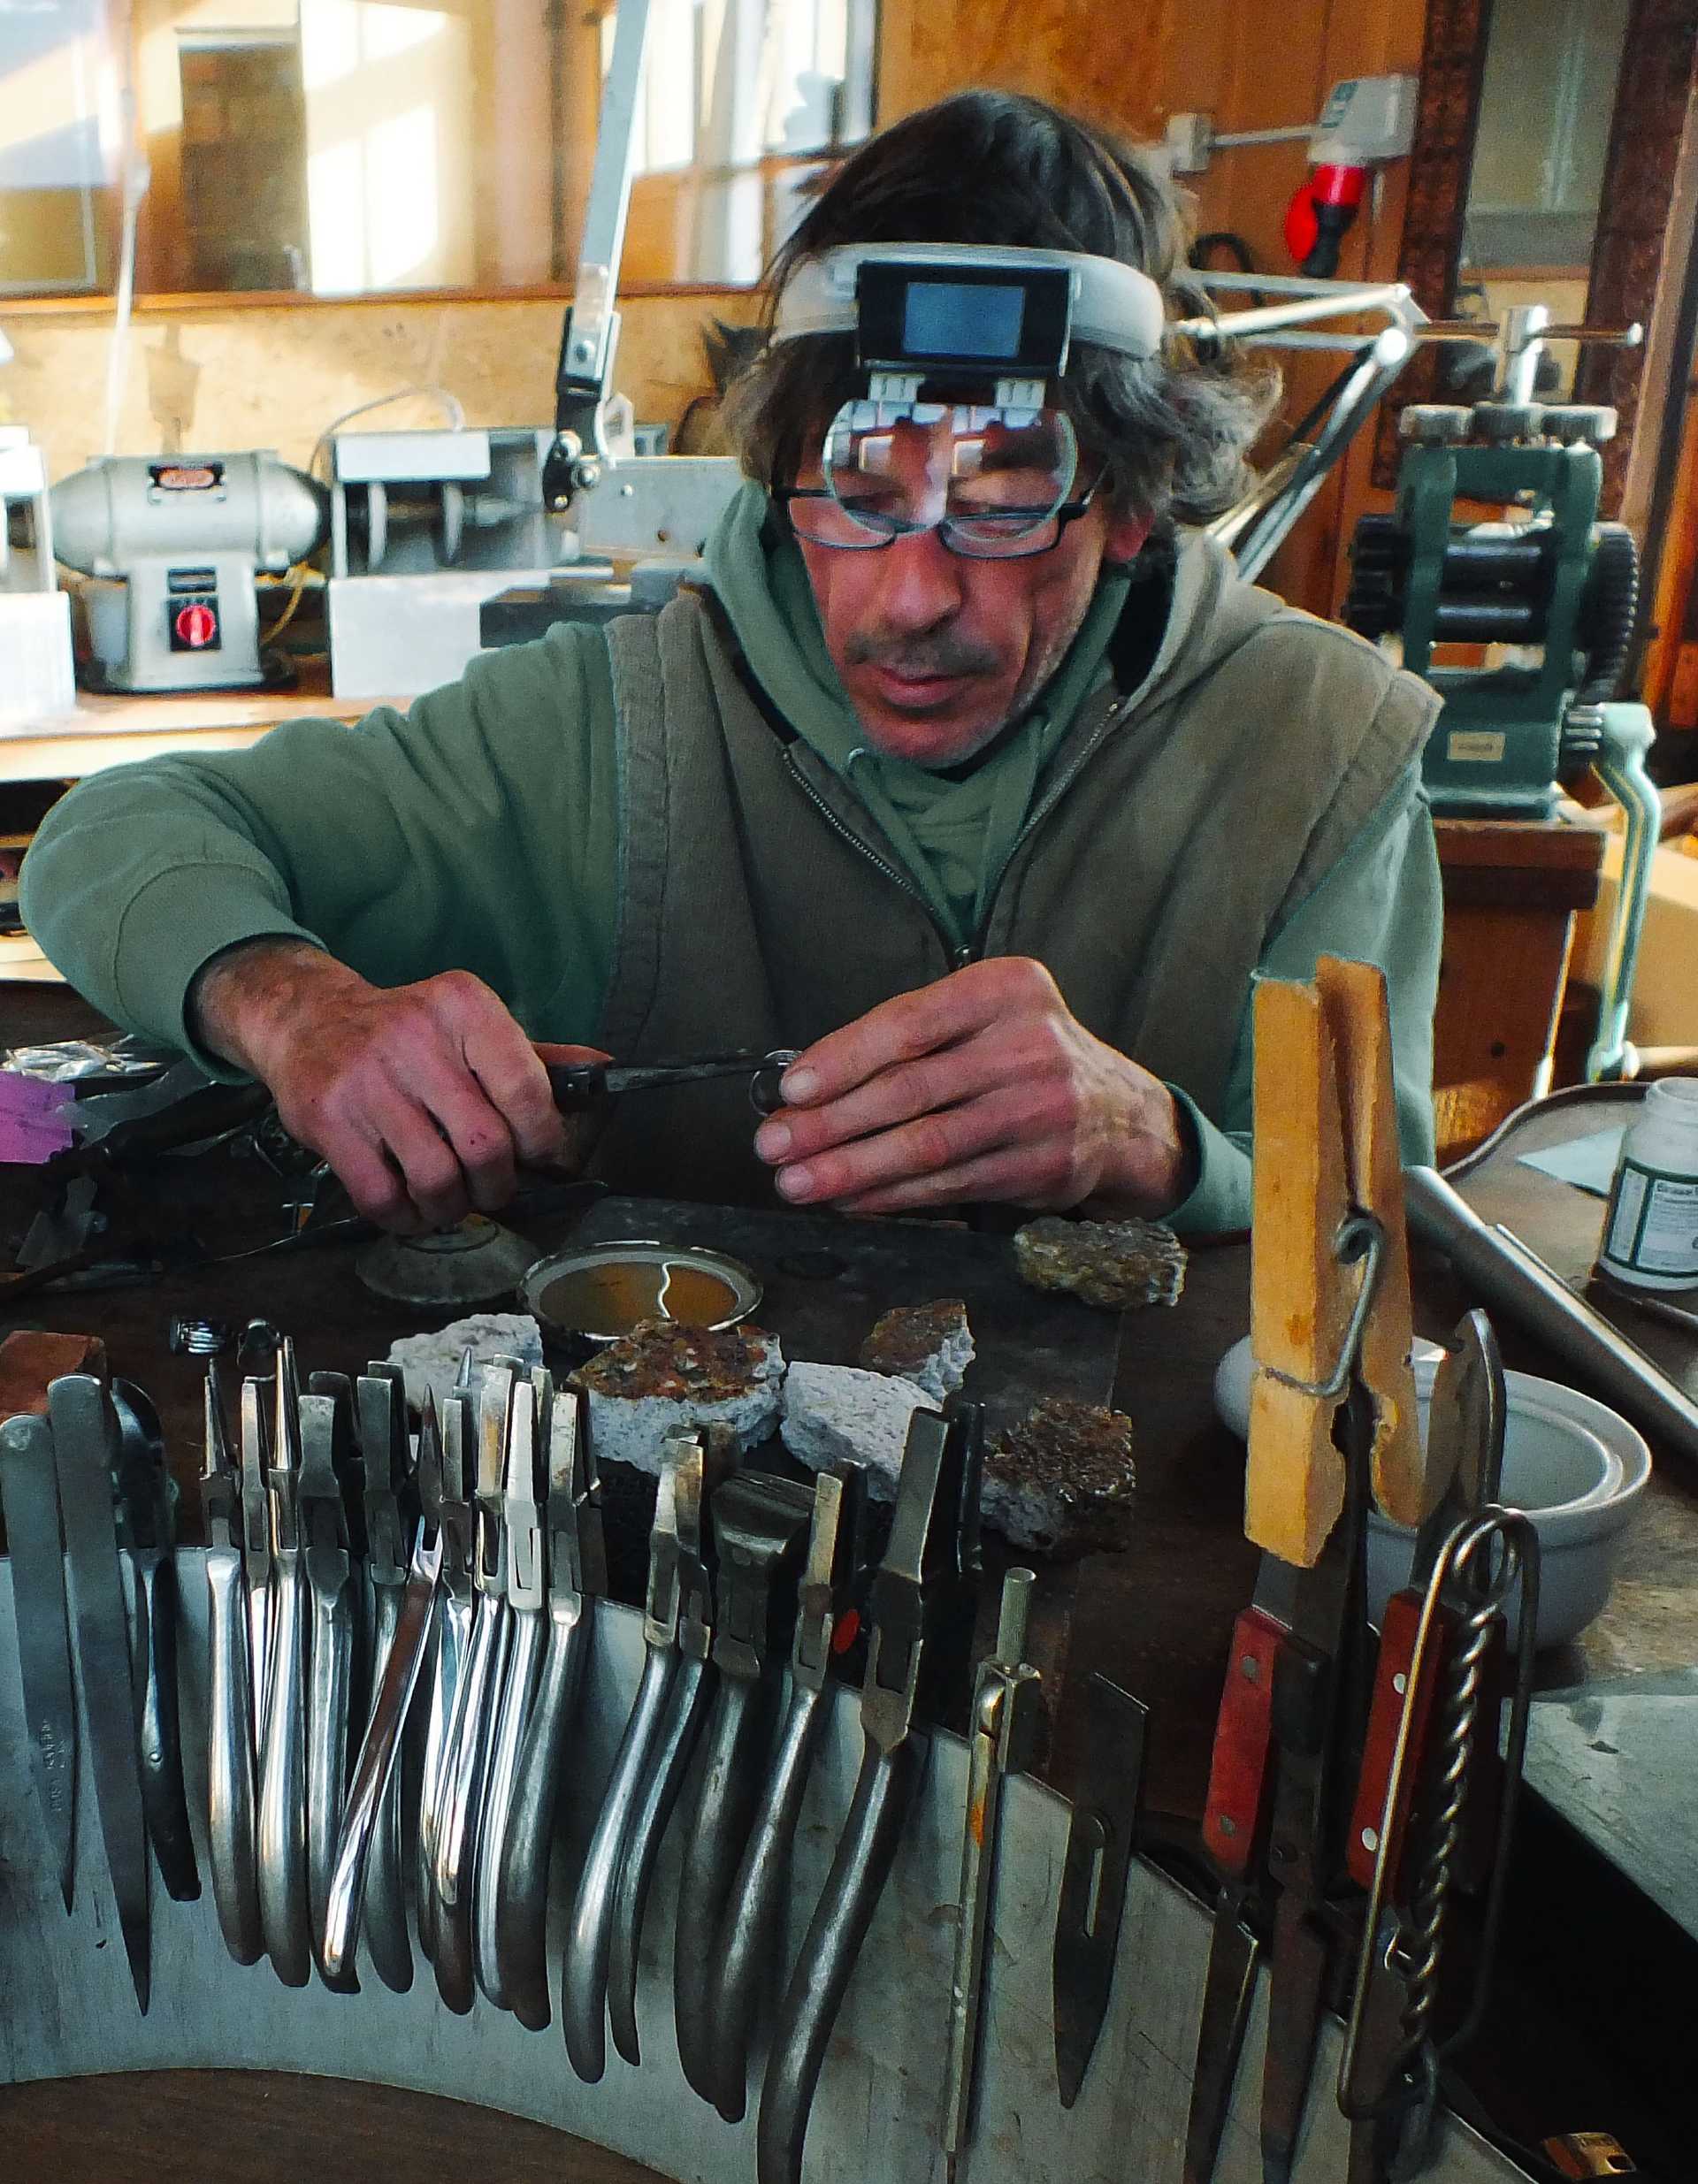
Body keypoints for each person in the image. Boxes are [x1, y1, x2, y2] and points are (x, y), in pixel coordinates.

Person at [22, 90, 1442, 1241]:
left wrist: (1162, 1147)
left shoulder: (1313, 749)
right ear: (774, 477)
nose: (912, 596)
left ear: (1131, 505)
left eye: (1007, 496)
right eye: (858, 489)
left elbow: (1391, 1222)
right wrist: (302, 1010)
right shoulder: (609, 728)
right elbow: (108, 837)